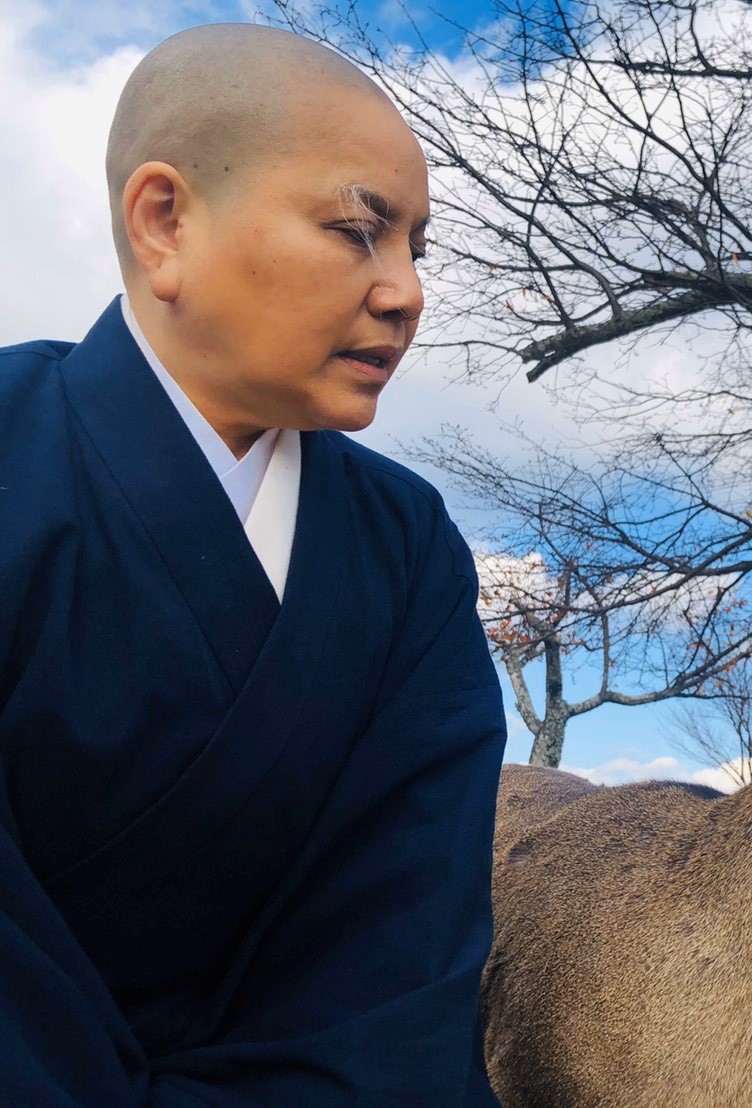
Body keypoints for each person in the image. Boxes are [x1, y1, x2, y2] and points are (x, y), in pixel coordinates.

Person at [0, 23, 506, 1105]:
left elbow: (403, 955)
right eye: (358, 230)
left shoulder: (406, 547)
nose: (407, 291)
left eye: (418, 246)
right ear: (164, 221)